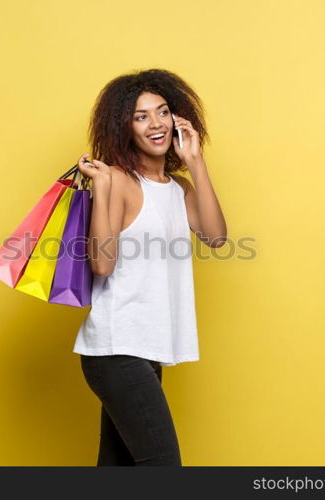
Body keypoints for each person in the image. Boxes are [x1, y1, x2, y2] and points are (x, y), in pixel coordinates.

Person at [74, 68, 227, 466]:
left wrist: (195, 161)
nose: (156, 124)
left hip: (146, 348)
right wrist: (103, 190)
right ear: (124, 126)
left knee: (118, 467)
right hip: (116, 347)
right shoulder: (120, 180)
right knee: (162, 466)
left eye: (162, 112)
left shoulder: (179, 188)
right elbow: (102, 265)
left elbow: (215, 237)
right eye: (141, 116)